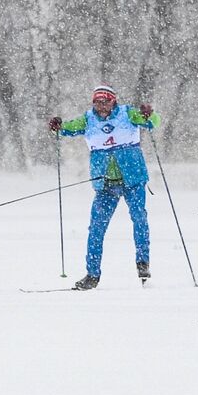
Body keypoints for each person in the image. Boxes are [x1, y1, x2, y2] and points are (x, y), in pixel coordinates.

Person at [49, 84, 161, 290]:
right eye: (98, 102)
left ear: (113, 101)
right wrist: (58, 125)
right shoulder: (87, 119)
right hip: (106, 185)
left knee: (139, 218)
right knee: (96, 228)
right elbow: (68, 128)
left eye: (106, 101)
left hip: (133, 180)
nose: (102, 106)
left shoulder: (128, 114)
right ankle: (92, 275)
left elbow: (153, 122)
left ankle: (142, 263)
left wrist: (148, 114)